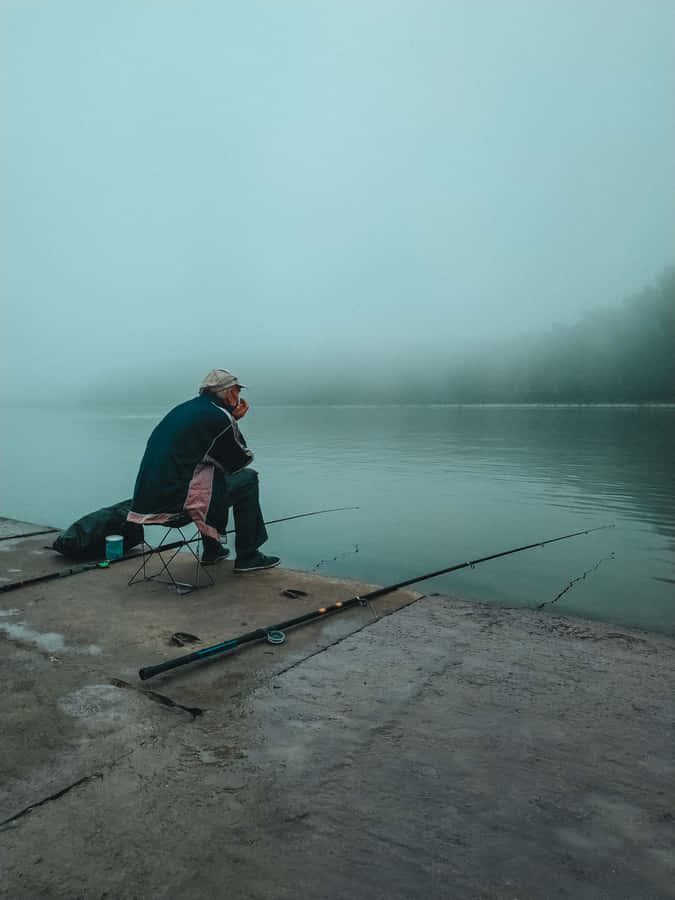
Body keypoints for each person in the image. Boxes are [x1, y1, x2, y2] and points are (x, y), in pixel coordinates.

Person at [127, 369, 280, 572]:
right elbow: (239, 462)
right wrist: (232, 421)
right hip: (175, 505)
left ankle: (213, 550)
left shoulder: (183, 410)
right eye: (236, 391)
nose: (239, 396)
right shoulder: (218, 417)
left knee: (207, 474)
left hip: (146, 503)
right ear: (228, 393)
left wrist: (229, 421)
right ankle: (248, 555)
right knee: (248, 479)